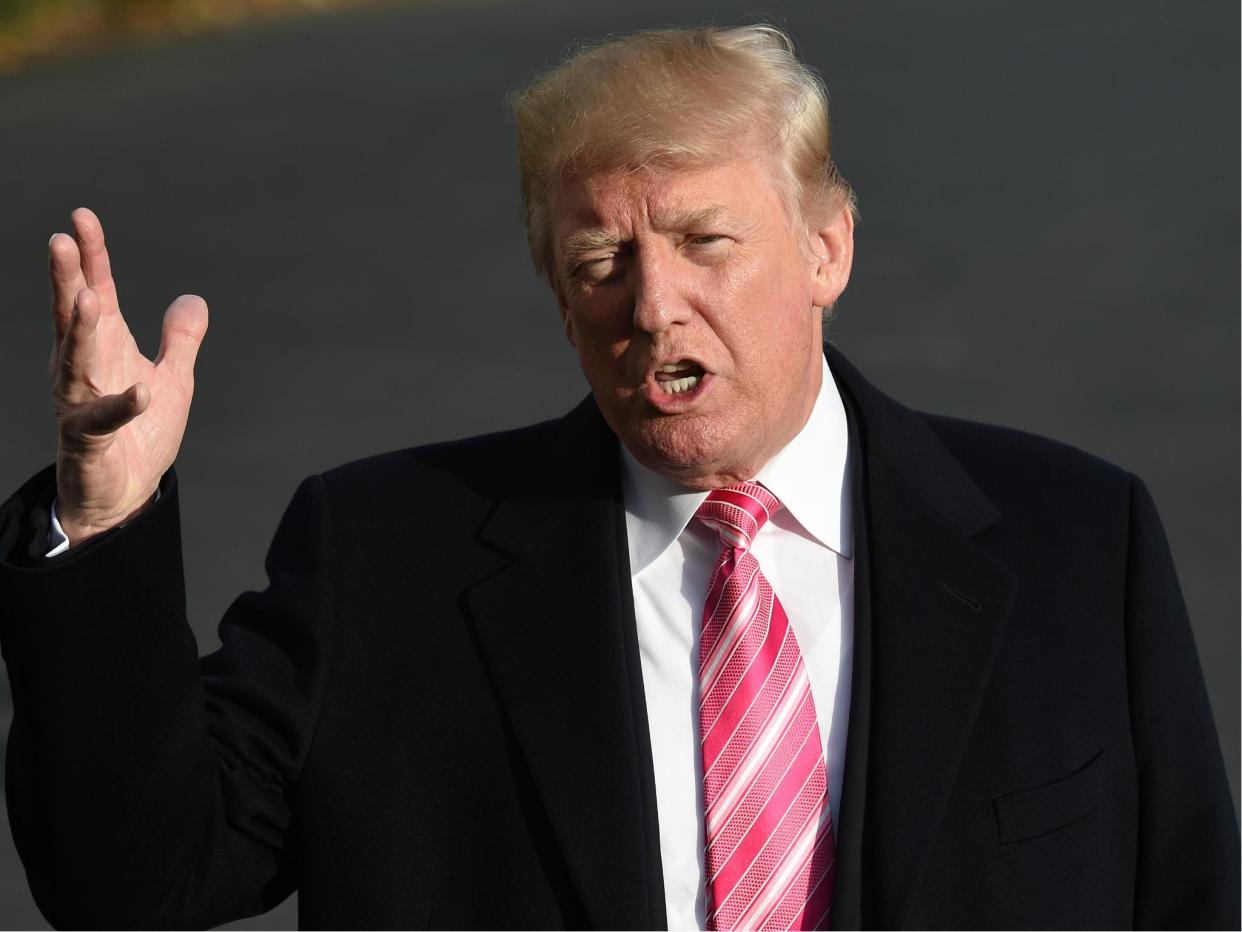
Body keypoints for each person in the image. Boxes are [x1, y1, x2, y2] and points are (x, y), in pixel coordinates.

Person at [0, 23, 1236, 931]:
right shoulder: (383, 556)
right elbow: (133, 881)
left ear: (825, 248)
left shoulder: (1076, 537)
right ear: (558, 292)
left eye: (705, 240)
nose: (651, 304)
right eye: (599, 259)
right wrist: (103, 512)